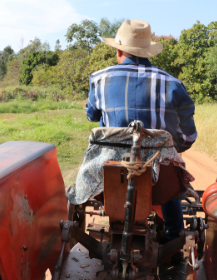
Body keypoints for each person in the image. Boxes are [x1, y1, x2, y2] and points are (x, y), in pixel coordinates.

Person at [85, 19, 198, 241]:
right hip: (158, 177)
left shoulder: (98, 79)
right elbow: (188, 134)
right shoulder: (172, 84)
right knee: (170, 172)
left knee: (107, 161)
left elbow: (92, 115)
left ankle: (113, 221)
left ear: (119, 50)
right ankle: (173, 234)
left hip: (111, 168)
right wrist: (175, 147)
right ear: (147, 52)